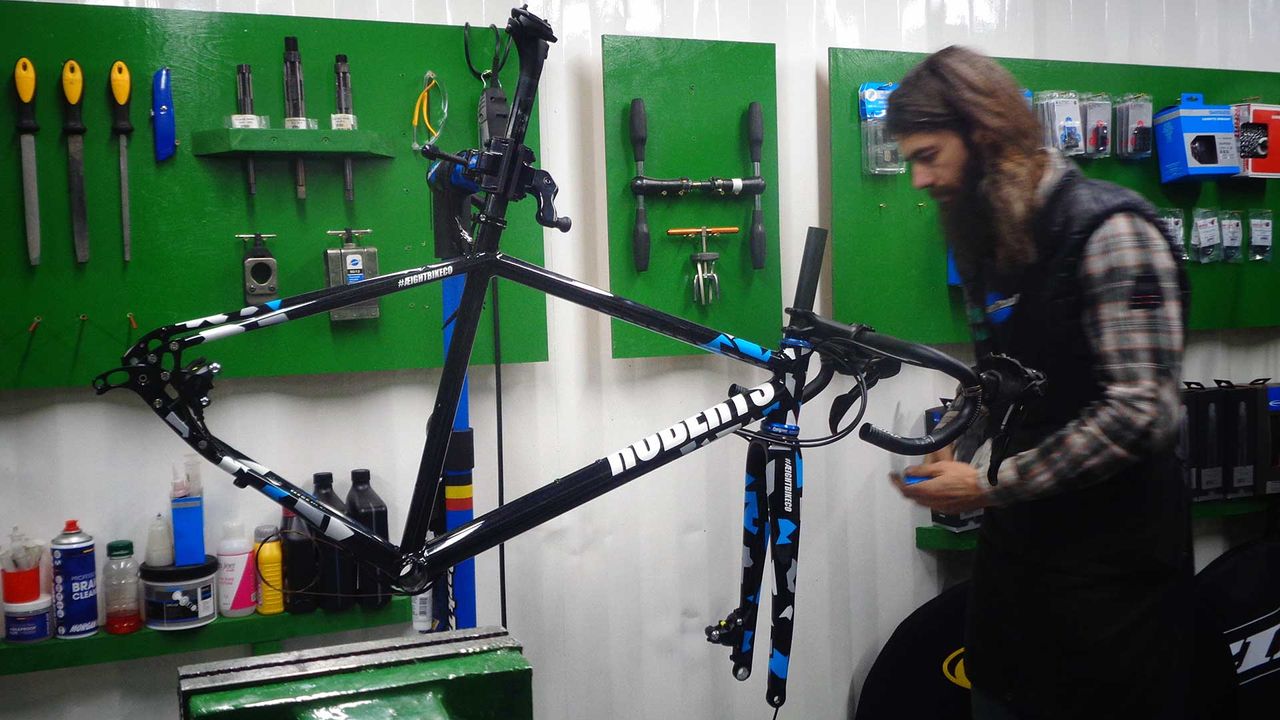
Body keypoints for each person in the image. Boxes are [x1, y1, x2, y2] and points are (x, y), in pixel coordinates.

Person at [884, 47, 1192, 719]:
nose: (917, 179)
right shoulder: (996, 242)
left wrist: (993, 485)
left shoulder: (1113, 234)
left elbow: (1141, 413)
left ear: (983, 135)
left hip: (1112, 595)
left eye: (928, 155)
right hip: (1022, 579)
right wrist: (954, 438)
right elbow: (1001, 370)